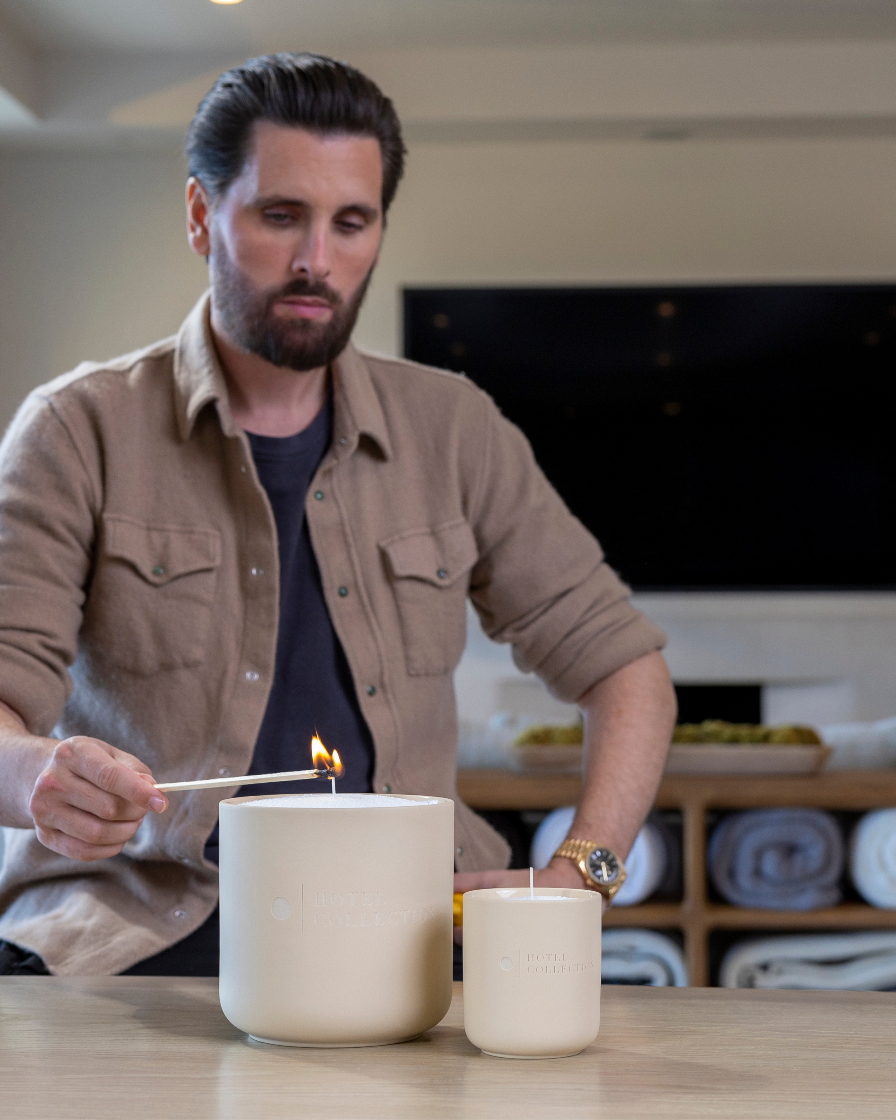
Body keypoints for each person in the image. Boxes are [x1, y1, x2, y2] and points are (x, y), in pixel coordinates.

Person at [0, 52, 676, 977]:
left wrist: (581, 873)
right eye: (282, 216)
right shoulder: (76, 430)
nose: (318, 260)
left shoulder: (455, 428)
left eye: (351, 222)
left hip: (410, 943)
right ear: (202, 215)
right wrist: (37, 775)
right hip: (134, 943)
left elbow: (626, 670)